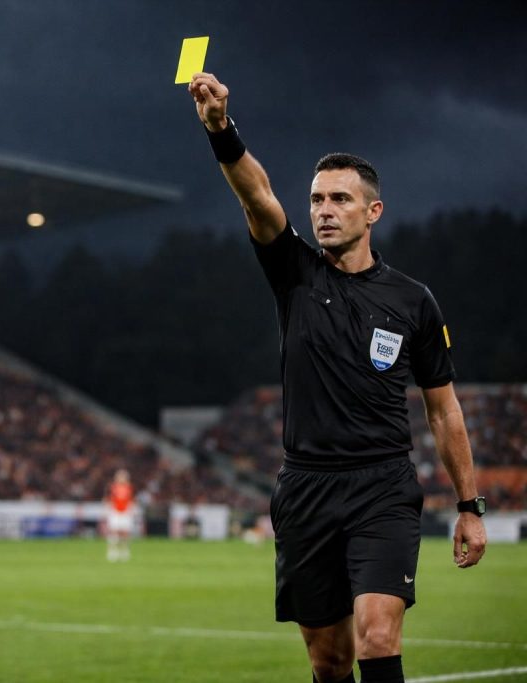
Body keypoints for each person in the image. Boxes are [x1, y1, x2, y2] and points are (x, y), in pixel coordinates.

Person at [188, 72, 487, 683]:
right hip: (305, 489)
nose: (324, 212)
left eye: (339, 200)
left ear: (373, 211)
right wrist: (220, 127)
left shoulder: (413, 301)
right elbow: (257, 196)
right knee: (329, 662)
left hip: (383, 487)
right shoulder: (294, 273)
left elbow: (443, 410)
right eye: (318, 200)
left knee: (378, 638)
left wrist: (469, 504)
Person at [105, 468, 134, 561]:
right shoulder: (113, 487)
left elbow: (130, 500)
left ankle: (124, 551)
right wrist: (108, 509)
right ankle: (112, 551)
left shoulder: (129, 487)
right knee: (114, 531)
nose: (122, 478)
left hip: (125, 512)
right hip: (115, 511)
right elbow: (109, 499)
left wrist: (131, 510)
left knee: (125, 532)